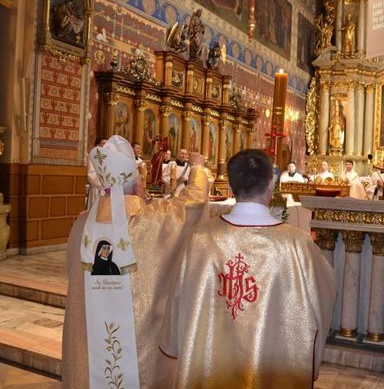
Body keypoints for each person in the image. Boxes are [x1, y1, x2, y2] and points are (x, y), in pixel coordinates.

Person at [159, 149, 336, 387]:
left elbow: (179, 299)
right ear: (271, 184)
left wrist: (175, 340)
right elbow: (322, 295)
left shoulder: (201, 239)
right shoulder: (296, 244)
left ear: (231, 188)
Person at [62, 136, 209, 389]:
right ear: (135, 183)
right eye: (139, 178)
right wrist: (197, 169)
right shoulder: (148, 220)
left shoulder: (81, 224)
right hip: (137, 344)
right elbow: (190, 205)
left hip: (89, 342)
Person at [86, 137, 107, 209]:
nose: (106, 146)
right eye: (103, 143)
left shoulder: (108, 157)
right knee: (95, 211)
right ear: (98, 145)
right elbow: (91, 174)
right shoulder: (92, 156)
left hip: (107, 189)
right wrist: (102, 185)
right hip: (97, 188)